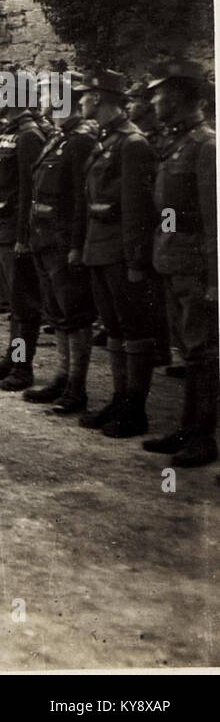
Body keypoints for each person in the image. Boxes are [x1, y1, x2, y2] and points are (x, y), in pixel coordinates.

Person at [73, 70, 157, 440]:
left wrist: (137, 261)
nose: (79, 102)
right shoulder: (106, 139)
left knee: (132, 328)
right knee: (113, 328)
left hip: (121, 251)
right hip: (99, 246)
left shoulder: (132, 143)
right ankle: (119, 399)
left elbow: (138, 211)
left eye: (85, 96)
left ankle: (134, 409)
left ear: (100, 99)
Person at [141, 60, 217, 466]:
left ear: (180, 97)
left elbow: (213, 219)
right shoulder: (177, 144)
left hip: (195, 265)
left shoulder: (206, 146)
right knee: (188, 350)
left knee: (202, 352)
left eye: (159, 93)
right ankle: (187, 428)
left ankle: (203, 437)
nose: (153, 100)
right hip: (172, 259)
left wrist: (216, 280)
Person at [23, 73, 100, 413]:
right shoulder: (58, 138)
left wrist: (76, 244)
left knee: (74, 313)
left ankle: (76, 387)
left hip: (63, 238)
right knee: (56, 312)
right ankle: (61, 375)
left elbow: (82, 199)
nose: (42, 102)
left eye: (47, 96)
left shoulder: (81, 140)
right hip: (44, 236)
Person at [0, 67, 49, 391]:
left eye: (3, 92)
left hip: (15, 232)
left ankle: (22, 366)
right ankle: (12, 357)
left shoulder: (29, 135)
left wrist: (23, 237)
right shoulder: (8, 131)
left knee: (22, 302)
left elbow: (28, 192)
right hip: (0, 227)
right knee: (12, 301)